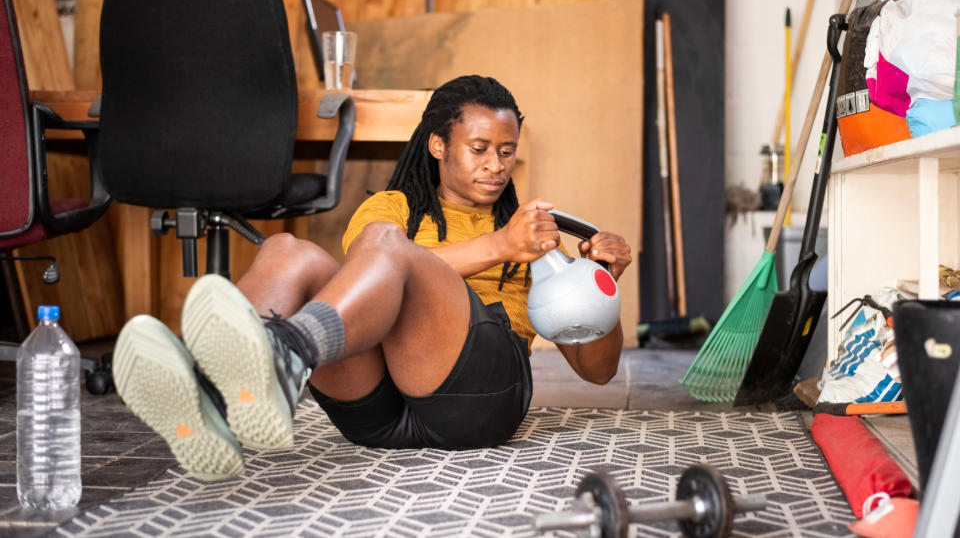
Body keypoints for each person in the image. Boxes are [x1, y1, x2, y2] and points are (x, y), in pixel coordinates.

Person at [113, 75, 632, 481]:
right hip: (375, 413)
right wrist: (501, 246)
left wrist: (597, 286)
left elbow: (597, 371)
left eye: (506, 150)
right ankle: (210, 400)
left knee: (391, 253)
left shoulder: (529, 238)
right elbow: (380, 261)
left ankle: (281, 358)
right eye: (479, 149)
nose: (496, 165)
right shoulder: (394, 209)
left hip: (479, 404)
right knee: (287, 250)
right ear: (438, 146)